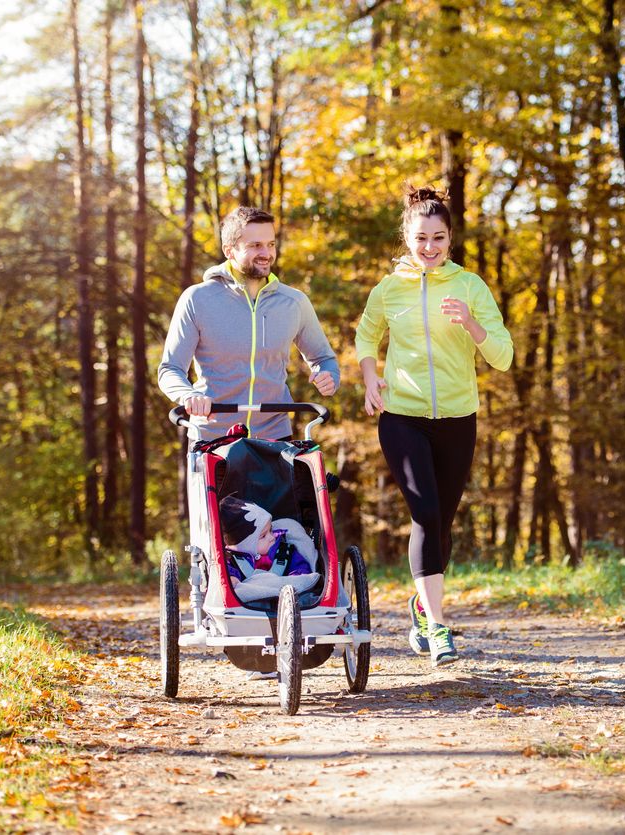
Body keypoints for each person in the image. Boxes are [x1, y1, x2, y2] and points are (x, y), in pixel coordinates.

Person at [355, 186, 513, 666]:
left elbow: (503, 357)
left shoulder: (470, 286)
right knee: (424, 514)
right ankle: (439, 627)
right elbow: (366, 334)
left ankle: (422, 606)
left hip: (458, 419)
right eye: (421, 238)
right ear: (407, 237)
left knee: (442, 523)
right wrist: (369, 379)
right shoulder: (388, 289)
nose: (429, 247)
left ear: (449, 239)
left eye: (438, 238)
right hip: (402, 416)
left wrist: (472, 324)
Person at [158, 206, 340, 441]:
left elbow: (324, 359)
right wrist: (188, 396)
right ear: (229, 251)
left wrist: (328, 375)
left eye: (271, 244)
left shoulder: (294, 302)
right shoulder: (197, 299)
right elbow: (170, 369)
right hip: (213, 436)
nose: (266, 253)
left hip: (275, 436)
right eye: (255, 245)